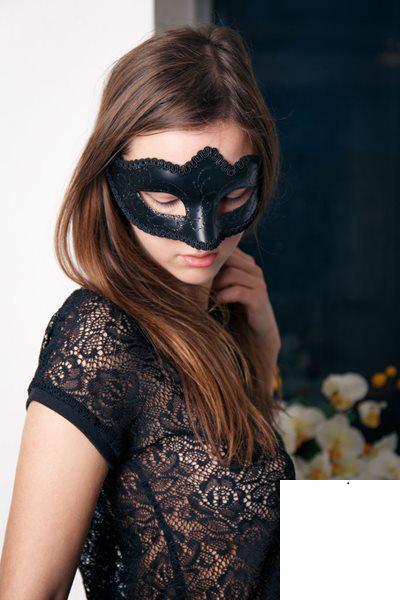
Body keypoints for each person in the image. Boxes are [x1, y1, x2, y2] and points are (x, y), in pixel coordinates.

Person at [0, 24, 295, 599]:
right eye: (165, 197)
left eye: (233, 197)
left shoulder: (221, 325)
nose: (204, 237)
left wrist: (263, 354)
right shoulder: (99, 336)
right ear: (110, 179)